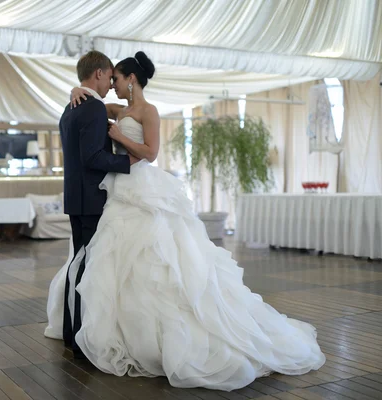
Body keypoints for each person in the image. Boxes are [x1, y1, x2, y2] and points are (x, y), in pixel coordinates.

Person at [45, 51, 325, 391]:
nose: (114, 85)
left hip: (137, 182)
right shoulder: (113, 109)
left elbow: (150, 153)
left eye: (117, 79)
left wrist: (119, 138)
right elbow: (88, 108)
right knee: (108, 260)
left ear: (130, 79)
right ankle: (111, 328)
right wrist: (77, 90)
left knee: (152, 256)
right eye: (110, 79)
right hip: (114, 190)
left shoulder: (148, 111)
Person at [56, 50, 139, 359]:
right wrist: (128, 161)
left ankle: (72, 332)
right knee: (85, 266)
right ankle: (79, 337)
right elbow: (92, 157)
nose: (109, 84)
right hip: (91, 198)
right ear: (100, 74)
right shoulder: (92, 108)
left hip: (77, 197)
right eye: (109, 77)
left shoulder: (71, 107)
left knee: (80, 263)